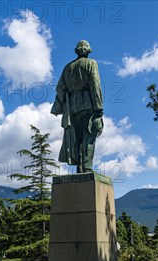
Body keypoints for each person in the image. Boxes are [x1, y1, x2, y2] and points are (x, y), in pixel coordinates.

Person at [51, 40, 104, 173]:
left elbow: (60, 88)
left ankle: (79, 167)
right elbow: (95, 85)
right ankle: (86, 166)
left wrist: (59, 107)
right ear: (88, 50)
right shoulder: (91, 63)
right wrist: (99, 107)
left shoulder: (67, 68)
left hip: (72, 108)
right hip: (87, 104)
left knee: (77, 137)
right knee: (89, 136)